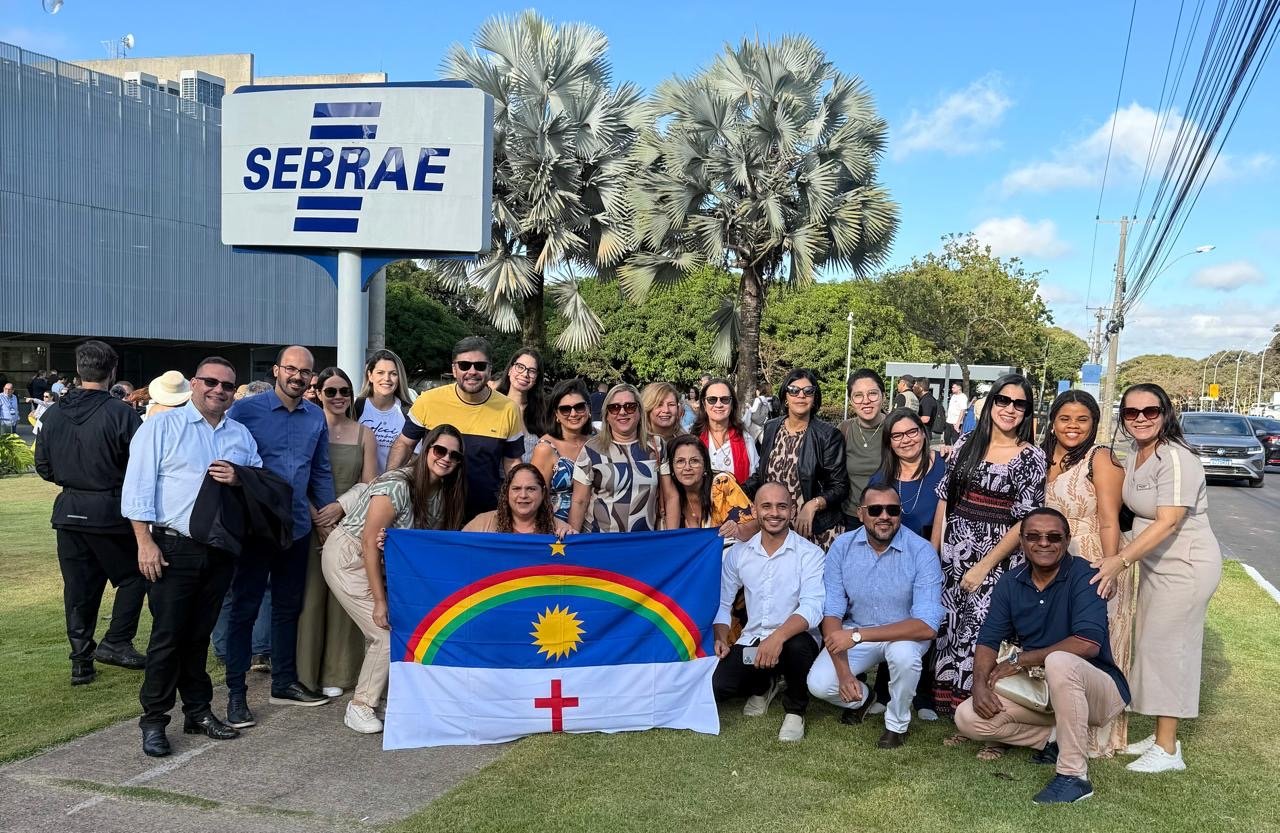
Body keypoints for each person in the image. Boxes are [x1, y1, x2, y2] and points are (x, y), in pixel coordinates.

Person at [120, 357, 264, 757]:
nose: (219, 390)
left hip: (219, 550)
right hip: (172, 548)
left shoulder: (240, 435)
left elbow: (259, 481)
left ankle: (198, 711)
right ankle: (153, 721)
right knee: (167, 638)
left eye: (228, 385)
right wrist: (143, 542)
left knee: (199, 637)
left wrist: (239, 477)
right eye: (211, 382)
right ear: (194, 384)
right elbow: (137, 488)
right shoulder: (162, 428)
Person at [955, 508, 1130, 804]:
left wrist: (1019, 661)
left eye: (1053, 537)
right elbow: (988, 640)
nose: (1044, 543)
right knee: (968, 717)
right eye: (1033, 536)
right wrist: (979, 685)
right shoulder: (1011, 582)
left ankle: (1074, 777)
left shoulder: (1086, 576)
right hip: (1041, 691)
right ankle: (1053, 739)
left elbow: (1088, 643)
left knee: (1059, 660)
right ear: (1022, 542)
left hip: (1098, 690)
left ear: (1066, 540)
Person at [1094, 383, 1222, 773]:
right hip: (1154, 564)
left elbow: (1168, 522)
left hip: (1185, 565)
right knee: (1151, 645)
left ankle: (1168, 750)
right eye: (1131, 413)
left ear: (1165, 413)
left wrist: (1119, 560)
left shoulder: (1177, 458)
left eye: (1150, 411)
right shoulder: (1135, 453)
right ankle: (1162, 732)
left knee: (1170, 648)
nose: (1141, 419)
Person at [323, 425, 467, 734]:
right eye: (439, 450)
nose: (445, 459)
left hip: (387, 565)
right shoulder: (398, 484)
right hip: (350, 557)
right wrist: (379, 601)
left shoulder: (442, 493)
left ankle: (388, 698)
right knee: (384, 632)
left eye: (454, 456)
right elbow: (367, 543)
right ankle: (360, 706)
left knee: (404, 628)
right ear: (426, 448)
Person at [223, 346, 341, 726]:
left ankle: (285, 683)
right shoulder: (244, 411)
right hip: (255, 527)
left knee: (289, 607)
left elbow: (320, 471)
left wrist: (325, 517)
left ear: (312, 378)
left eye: (305, 372)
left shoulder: (315, 418)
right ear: (277, 370)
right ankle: (236, 694)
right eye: (291, 369)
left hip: (298, 528)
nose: (297, 376)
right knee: (244, 608)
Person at [931, 373, 1046, 728]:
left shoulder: (1031, 457)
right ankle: (954, 711)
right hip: (955, 548)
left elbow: (1024, 522)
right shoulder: (967, 442)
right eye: (1003, 400)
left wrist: (985, 565)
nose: (1010, 409)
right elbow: (944, 502)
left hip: (999, 557)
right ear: (991, 402)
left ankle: (984, 715)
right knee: (952, 626)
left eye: (1019, 404)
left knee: (986, 633)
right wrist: (933, 554)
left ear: (1027, 412)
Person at [34, 340, 147, 685]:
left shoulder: (53, 414)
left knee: (78, 587)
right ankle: (116, 640)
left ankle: (81, 660)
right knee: (135, 576)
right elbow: (140, 465)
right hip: (109, 510)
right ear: (112, 371)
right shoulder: (121, 413)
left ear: (79, 370)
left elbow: (43, 465)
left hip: (69, 510)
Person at [807, 484, 944, 748]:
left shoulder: (922, 552)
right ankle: (864, 698)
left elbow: (927, 626)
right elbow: (833, 611)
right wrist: (845, 674)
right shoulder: (842, 547)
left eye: (892, 510)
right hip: (857, 630)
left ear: (900, 514)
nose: (884, 516)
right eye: (875, 510)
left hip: (904, 633)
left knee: (903, 655)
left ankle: (897, 723)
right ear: (860, 514)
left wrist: (858, 635)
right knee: (820, 685)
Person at [1041, 389, 1131, 756]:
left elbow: (1110, 520)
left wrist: (1108, 569)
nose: (1073, 426)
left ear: (1094, 424)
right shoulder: (1042, 455)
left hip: (1093, 557)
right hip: (1051, 557)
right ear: (1053, 422)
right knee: (1056, 642)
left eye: (1082, 419)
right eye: (1065, 418)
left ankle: (1096, 735)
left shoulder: (1101, 458)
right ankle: (1055, 731)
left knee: (1093, 643)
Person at [713, 482, 824, 742]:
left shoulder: (810, 554)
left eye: (782, 506)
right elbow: (723, 602)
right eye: (766, 506)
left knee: (796, 647)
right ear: (754, 510)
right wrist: (720, 637)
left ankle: (795, 710)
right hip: (754, 643)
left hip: (794, 644)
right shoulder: (739, 553)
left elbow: (813, 607)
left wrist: (776, 638)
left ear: (792, 510)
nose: (774, 513)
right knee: (720, 685)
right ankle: (764, 684)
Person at [298, 368, 377, 699]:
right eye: (331, 391)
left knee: (344, 599)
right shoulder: (307, 429)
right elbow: (296, 475)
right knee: (311, 600)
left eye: (344, 390)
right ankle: (306, 673)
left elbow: (371, 482)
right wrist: (318, 518)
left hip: (349, 524)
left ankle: (339, 671)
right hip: (309, 520)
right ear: (318, 393)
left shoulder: (364, 434)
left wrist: (340, 510)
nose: (339, 397)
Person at [865, 408, 946, 721]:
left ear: (923, 433)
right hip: (892, 559)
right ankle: (885, 691)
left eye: (912, 432)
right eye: (897, 435)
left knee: (928, 622)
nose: (906, 440)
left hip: (935, 555)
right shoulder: (882, 479)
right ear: (889, 442)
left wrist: (933, 557)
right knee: (893, 620)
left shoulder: (944, 468)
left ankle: (924, 693)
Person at [387, 336, 522, 520]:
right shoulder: (428, 401)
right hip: (429, 510)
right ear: (453, 369)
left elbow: (512, 462)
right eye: (464, 365)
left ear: (490, 369)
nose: (472, 371)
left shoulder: (508, 408)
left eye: (480, 366)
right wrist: (388, 487)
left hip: (483, 514)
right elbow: (404, 444)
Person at [747, 368, 847, 550]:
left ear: (814, 397)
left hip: (814, 530)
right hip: (776, 528)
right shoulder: (770, 428)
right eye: (794, 390)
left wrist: (813, 505)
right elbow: (762, 475)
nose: (801, 395)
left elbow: (840, 486)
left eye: (808, 391)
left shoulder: (828, 435)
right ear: (785, 395)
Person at [568, 383, 678, 533]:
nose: (622, 412)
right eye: (614, 407)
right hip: (600, 543)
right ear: (606, 415)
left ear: (639, 412)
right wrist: (572, 544)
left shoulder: (657, 446)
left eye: (630, 406)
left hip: (644, 542)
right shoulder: (591, 449)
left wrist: (672, 538)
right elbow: (579, 501)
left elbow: (670, 495)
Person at [531, 379, 593, 523]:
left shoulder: (597, 442)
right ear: (556, 415)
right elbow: (537, 495)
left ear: (589, 409)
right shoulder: (545, 448)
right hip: (558, 531)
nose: (573, 413)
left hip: (594, 530)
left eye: (579, 407)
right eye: (565, 409)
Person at [838, 369, 888, 528]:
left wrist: (944, 452)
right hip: (852, 517)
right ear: (851, 401)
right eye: (858, 395)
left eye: (872, 393)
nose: (866, 401)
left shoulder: (896, 428)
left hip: (888, 517)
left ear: (883, 396)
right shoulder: (843, 430)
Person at [355, 349, 415, 475]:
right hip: (358, 488)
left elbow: (416, 456)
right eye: (380, 373)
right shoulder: (355, 407)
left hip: (392, 487)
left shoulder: (409, 413)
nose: (386, 378)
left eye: (393, 374)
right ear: (370, 376)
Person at [693, 377, 758, 486]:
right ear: (704, 404)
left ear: (732, 405)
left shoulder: (746, 440)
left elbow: (755, 479)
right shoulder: (694, 439)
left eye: (725, 399)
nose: (718, 405)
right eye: (712, 400)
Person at [463, 463, 559, 533]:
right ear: (507, 493)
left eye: (531, 489)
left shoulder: (558, 529)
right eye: (516, 489)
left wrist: (569, 537)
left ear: (542, 492)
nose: (523, 495)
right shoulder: (482, 524)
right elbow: (458, 549)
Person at [495, 348, 547, 463]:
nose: (525, 374)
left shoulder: (543, 413)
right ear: (510, 370)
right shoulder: (492, 407)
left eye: (532, 371)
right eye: (520, 367)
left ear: (537, 378)